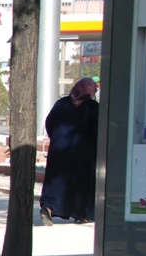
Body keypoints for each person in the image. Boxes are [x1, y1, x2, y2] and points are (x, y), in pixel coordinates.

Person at [39, 77, 100, 225]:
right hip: (84, 153)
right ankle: (82, 214)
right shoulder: (93, 108)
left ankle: (48, 207)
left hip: (59, 149)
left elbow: (49, 123)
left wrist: (56, 139)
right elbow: (98, 130)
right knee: (82, 183)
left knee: (56, 179)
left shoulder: (62, 103)